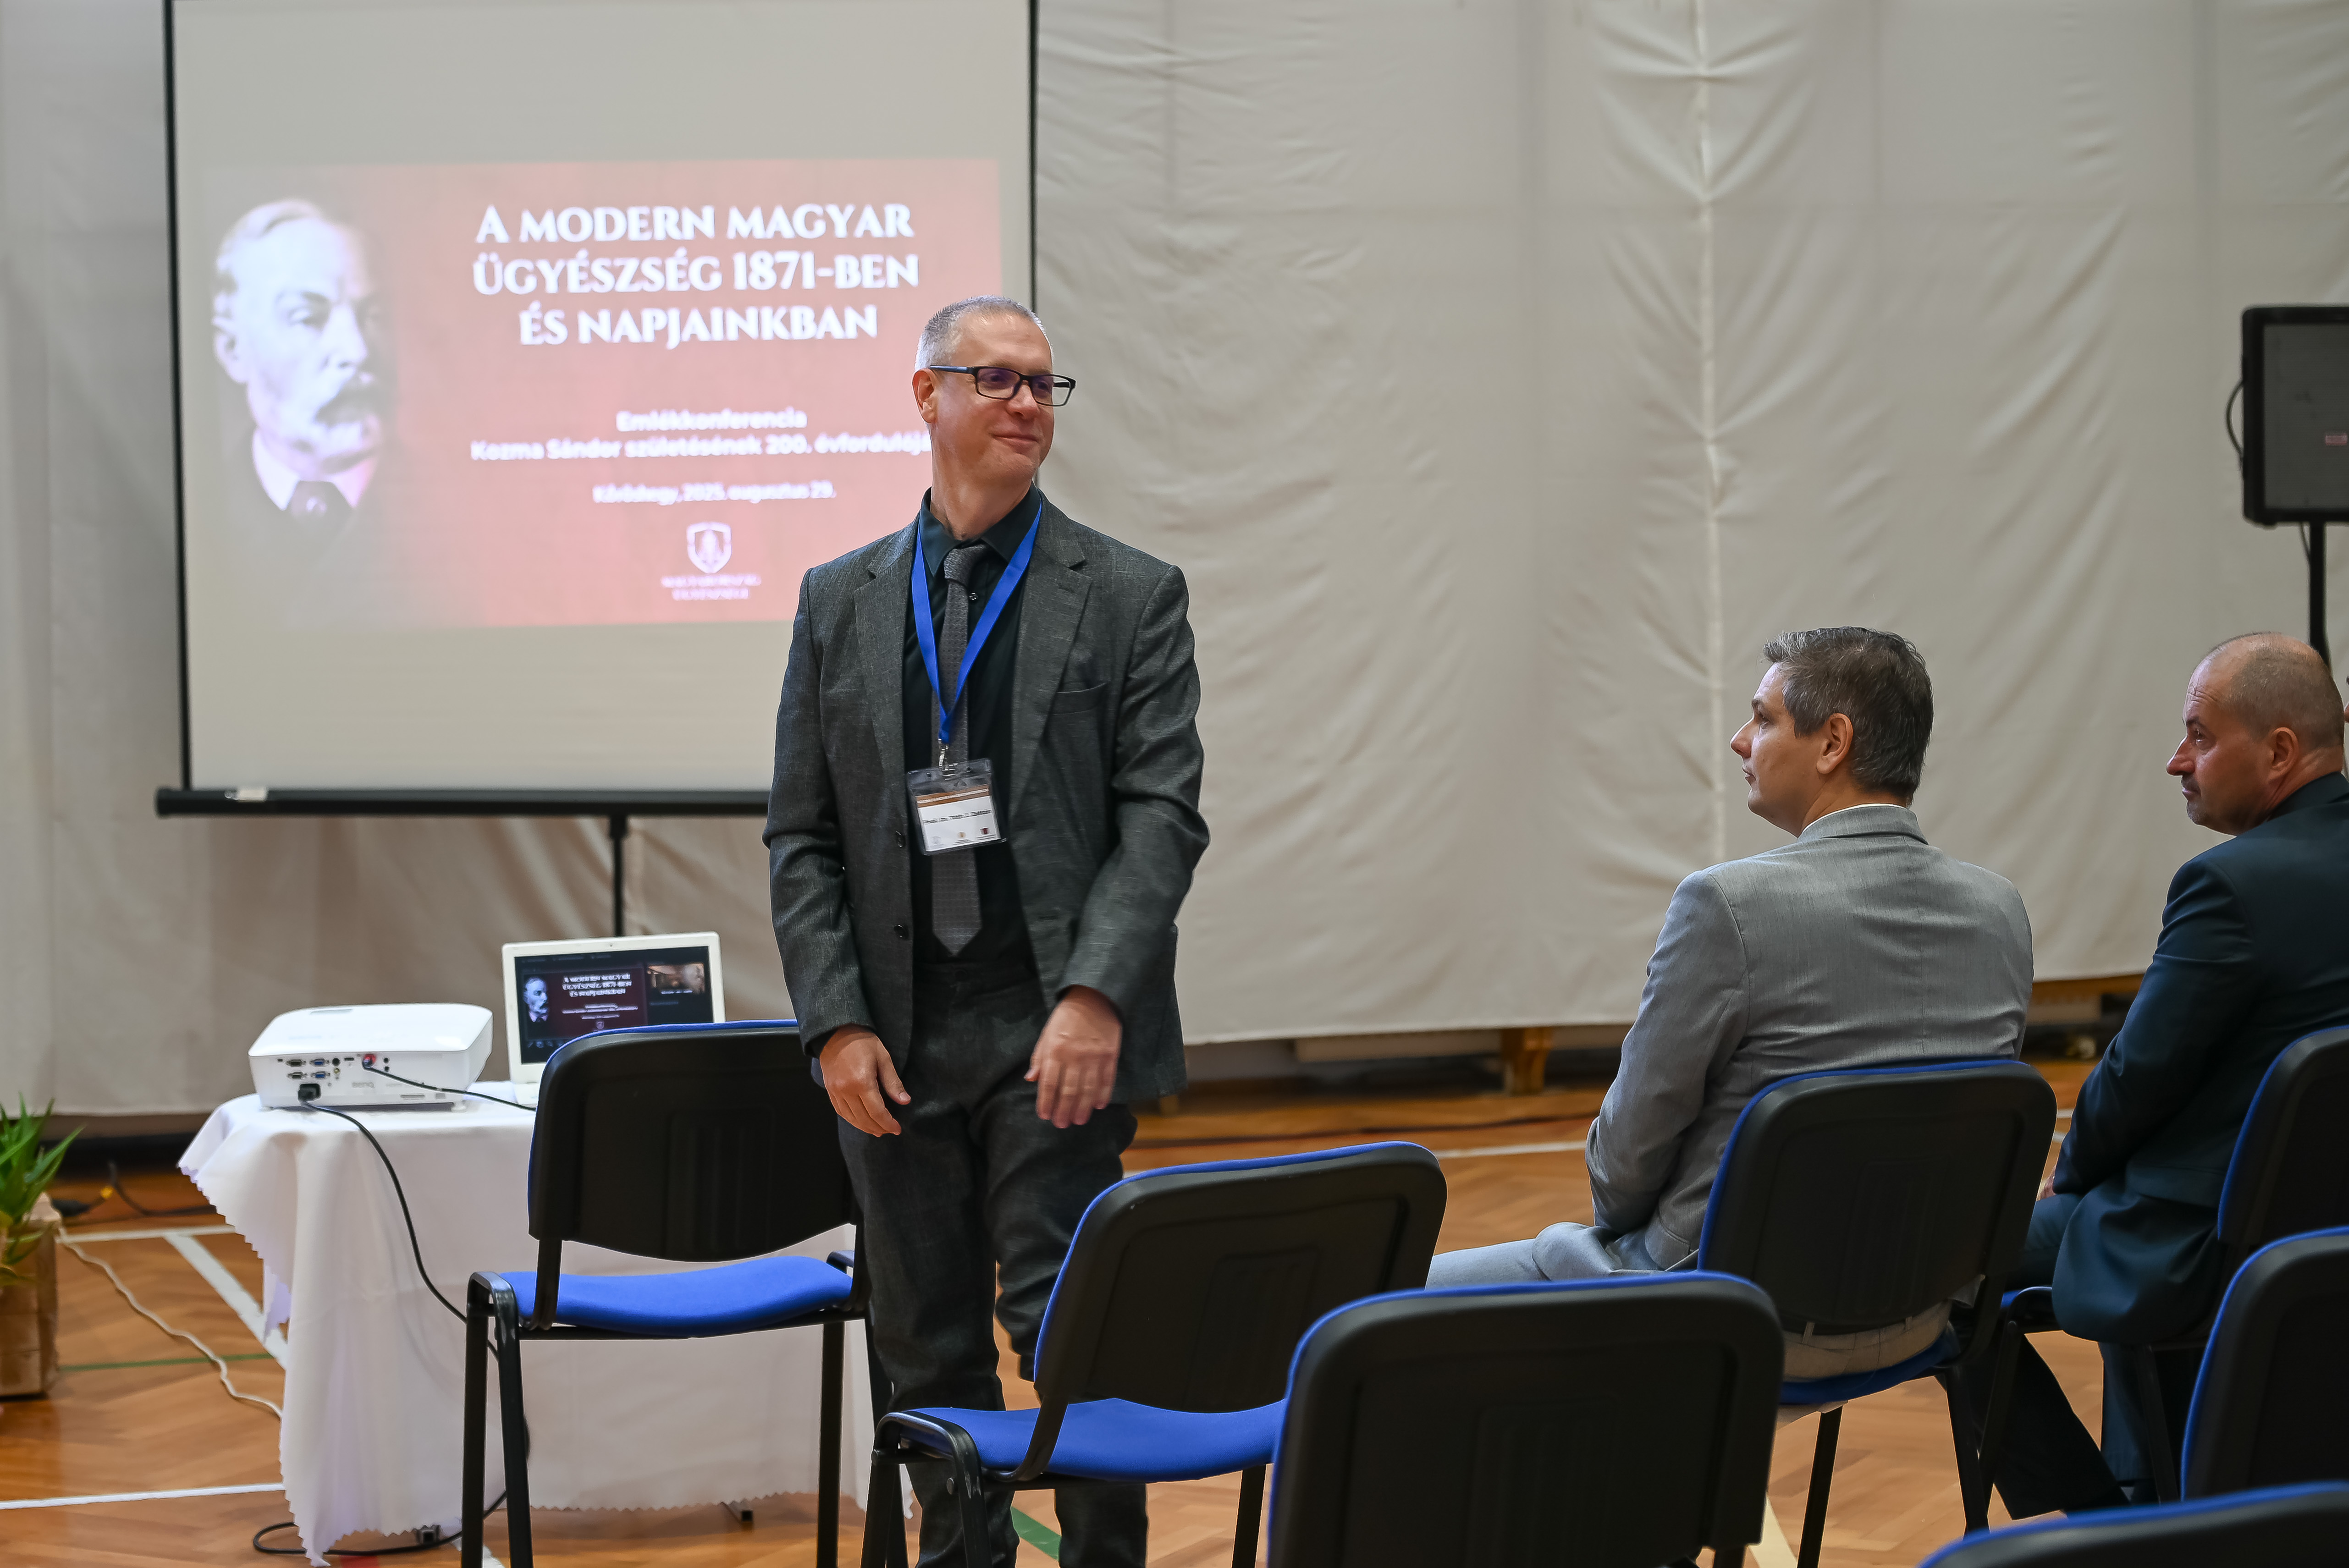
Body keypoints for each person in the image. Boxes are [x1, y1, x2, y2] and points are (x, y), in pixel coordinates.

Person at [764, 296, 1207, 1568]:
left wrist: (1097, 994)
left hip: (1049, 1022)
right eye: (996, 379)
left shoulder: (1128, 592)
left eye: (1042, 385)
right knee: (926, 1344)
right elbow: (802, 835)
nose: (1025, 403)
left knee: (1073, 1330)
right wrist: (834, 1022)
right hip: (895, 1035)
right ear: (927, 396)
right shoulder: (839, 598)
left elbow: (1162, 815)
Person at [1428, 627, 2033, 1378]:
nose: (1739, 740)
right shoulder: (2000, 910)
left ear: (1832, 742)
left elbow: (1622, 1171)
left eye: (1762, 718)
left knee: (1370, 1304)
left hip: (1722, 1318)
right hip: (1919, 1318)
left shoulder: (1727, 905)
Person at [1967, 633, 2349, 1516]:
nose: (2176, 760)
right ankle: (2152, 1495)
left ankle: (2104, 1522)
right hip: (2320, 1223)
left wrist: (2070, 1169)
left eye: (2198, 736)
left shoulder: (2227, 885)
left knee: (1940, 1266)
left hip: (2205, 1238)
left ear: (2278, 752)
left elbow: (2132, 1079)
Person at [209, 198, 398, 614]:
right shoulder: (200, 518)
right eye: (307, 318)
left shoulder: (465, 509)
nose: (357, 351)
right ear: (233, 349)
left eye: (375, 316)